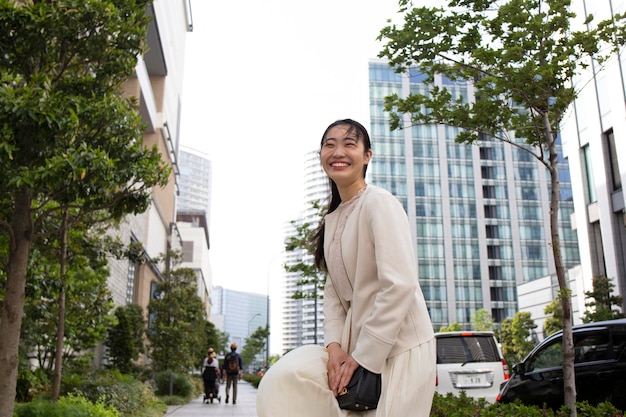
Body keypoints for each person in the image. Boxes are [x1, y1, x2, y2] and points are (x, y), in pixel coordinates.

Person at [257, 119, 436, 417]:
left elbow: (400, 285)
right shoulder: (334, 219)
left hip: (401, 346)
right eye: (330, 144)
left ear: (367, 156)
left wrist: (364, 356)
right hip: (354, 349)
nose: (338, 151)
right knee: (285, 378)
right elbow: (334, 295)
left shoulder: (380, 203)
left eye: (349, 144)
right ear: (321, 156)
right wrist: (335, 348)